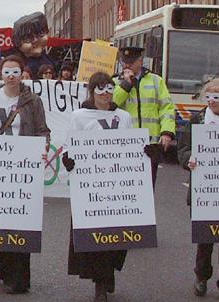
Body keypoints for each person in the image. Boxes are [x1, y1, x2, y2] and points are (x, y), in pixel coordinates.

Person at [0, 55, 50, 294]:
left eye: (16, 72)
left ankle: (20, 278)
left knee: (20, 220)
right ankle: (2, 265)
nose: (11, 76)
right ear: (0, 74)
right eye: (7, 72)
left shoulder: (33, 101)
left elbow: (42, 130)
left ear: (22, 74)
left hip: (22, 167)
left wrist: (44, 148)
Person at [62, 72, 131, 302]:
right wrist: (69, 159)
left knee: (117, 234)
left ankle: (109, 271)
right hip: (90, 185)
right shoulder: (79, 116)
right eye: (100, 89)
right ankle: (100, 282)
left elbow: (131, 145)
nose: (105, 94)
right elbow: (71, 143)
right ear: (92, 91)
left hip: (117, 184)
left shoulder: (124, 117)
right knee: (94, 234)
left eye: (109, 89)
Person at [177, 78, 219, 302]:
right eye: (208, 97)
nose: (211, 102)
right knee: (205, 238)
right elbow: (183, 149)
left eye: (216, 97)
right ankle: (201, 276)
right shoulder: (197, 120)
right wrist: (189, 160)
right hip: (204, 190)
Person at [113, 46, 176, 187]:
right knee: (124, 188)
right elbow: (112, 105)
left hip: (150, 146)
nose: (127, 65)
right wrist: (126, 85)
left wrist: (166, 133)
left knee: (147, 190)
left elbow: (167, 108)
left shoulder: (155, 81)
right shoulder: (116, 82)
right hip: (124, 145)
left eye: (131, 61)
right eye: (125, 62)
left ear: (140, 61)